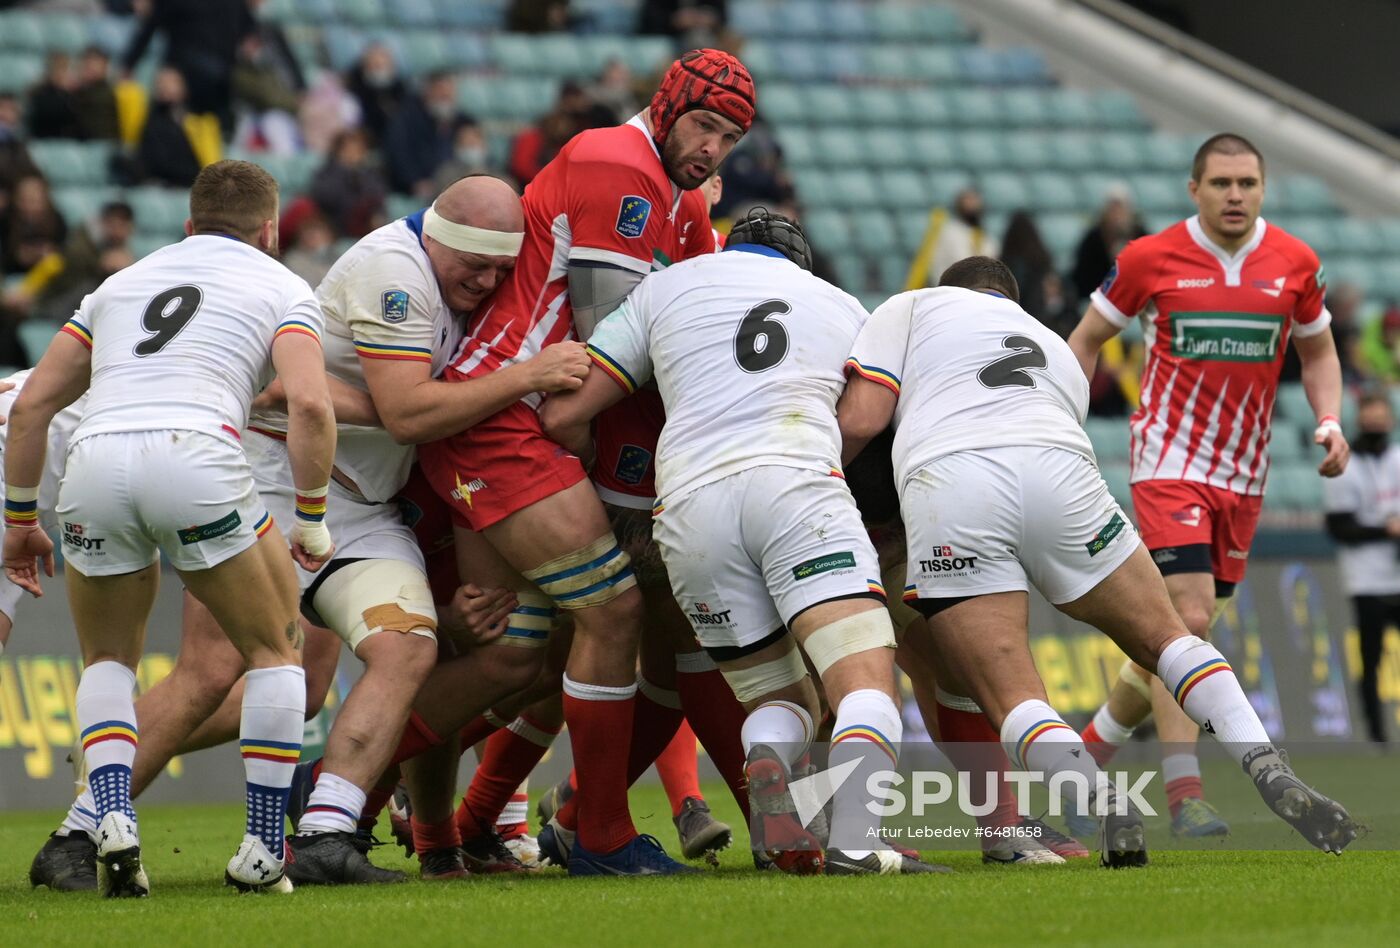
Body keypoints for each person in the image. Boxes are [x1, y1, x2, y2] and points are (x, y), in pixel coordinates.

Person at [838, 255, 1358, 865]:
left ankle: (1101, 796)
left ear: (949, 292)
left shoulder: (911, 306)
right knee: (1170, 639)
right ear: (1011, 299)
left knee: (1011, 697)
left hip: (951, 480)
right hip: (1062, 470)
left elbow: (863, 419)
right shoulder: (1052, 345)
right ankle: (1264, 760)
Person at [416, 48, 754, 877]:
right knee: (610, 616)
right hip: (509, 420)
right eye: (705, 124)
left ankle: (356, 806)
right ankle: (596, 831)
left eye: (731, 139)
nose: (713, 148)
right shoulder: (617, 164)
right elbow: (613, 341)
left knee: (521, 652)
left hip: (525, 422)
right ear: (668, 104)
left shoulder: (676, 199)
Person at [542, 208, 939, 876]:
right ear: (799, 266)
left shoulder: (666, 288)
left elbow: (566, 411)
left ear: (729, 247)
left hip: (688, 508)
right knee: (864, 680)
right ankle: (859, 841)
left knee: (778, 701)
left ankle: (768, 764)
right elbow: (870, 418)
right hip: (795, 481)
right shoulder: (841, 305)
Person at [3, 159, 337, 895]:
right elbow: (311, 406)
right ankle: (260, 847)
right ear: (271, 230)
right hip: (197, 454)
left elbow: (31, 410)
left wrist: (21, 520)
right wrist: (310, 519)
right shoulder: (283, 285)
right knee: (276, 652)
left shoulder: (117, 285)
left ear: (186, 225)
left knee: (108, 662)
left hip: (95, 459)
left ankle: (113, 817)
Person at [258, 175, 591, 886]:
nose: (489, 281)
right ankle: (92, 817)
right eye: (476, 264)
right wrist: (525, 373)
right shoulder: (395, 273)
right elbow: (410, 413)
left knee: (434, 646)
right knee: (232, 683)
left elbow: (412, 409)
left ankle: (348, 827)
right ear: (437, 236)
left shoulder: (461, 279)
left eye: (504, 269)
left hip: (386, 501)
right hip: (287, 491)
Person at [1066, 133, 1350, 837]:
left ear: (1263, 188)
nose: (1234, 195)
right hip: (1170, 462)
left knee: (1183, 637)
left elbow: (1318, 349)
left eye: (1247, 183)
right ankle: (1184, 792)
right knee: (1187, 622)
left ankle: (1088, 752)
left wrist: (1330, 419)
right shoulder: (1149, 258)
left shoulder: (1295, 263)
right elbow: (1082, 340)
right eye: (1221, 183)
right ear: (1194, 189)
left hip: (1244, 475)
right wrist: (1061, 418)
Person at [1324, 389, 1400, 745]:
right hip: (1366, 579)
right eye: (1370, 416)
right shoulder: (1346, 465)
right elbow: (1340, 527)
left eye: (1381, 416)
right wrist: (1385, 529)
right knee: (1371, 659)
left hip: (1396, 576)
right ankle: (1376, 736)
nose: (1377, 423)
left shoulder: (1397, 458)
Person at [121, 0, 255, 130]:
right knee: (209, 130)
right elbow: (250, 34)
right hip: (219, 74)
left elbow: (150, 27)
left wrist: (129, 64)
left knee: (168, 127)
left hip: (188, 72)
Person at [384, 73, 473, 198]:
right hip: (417, 188)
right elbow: (399, 154)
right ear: (428, 92)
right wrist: (414, 181)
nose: (445, 96)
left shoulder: (463, 121)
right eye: (441, 92)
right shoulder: (407, 119)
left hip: (455, 184)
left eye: (449, 92)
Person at [906, 186, 999, 291]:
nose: (973, 205)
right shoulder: (949, 232)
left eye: (975, 200)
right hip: (951, 289)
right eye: (968, 200)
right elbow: (964, 263)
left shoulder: (984, 236)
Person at [1071, 186, 1147, 302]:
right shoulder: (1093, 238)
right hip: (1098, 298)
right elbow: (1083, 276)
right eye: (1113, 208)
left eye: (1121, 208)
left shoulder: (1141, 235)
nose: (1117, 214)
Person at [308, 128, 386, 238]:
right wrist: (345, 171)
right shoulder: (326, 172)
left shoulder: (369, 173)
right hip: (337, 222)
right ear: (338, 151)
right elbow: (326, 198)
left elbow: (377, 197)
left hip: (366, 223)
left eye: (358, 150)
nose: (353, 154)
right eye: (349, 149)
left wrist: (359, 175)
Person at [136, 68, 202, 188]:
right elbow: (155, 163)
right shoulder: (151, 123)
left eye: (172, 82)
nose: (165, 86)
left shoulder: (198, 123)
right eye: (161, 82)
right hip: (166, 186)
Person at [345, 43, 409, 145]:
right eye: (375, 64)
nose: (379, 68)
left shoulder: (400, 87)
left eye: (383, 64)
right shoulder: (354, 87)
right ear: (365, 65)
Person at [26, 52, 80, 140]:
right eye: (58, 69)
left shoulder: (75, 94)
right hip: (43, 140)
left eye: (65, 69)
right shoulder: (40, 94)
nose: (62, 74)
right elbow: (48, 118)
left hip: (68, 142)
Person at [72, 47, 120, 141]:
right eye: (87, 63)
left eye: (95, 63)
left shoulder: (109, 93)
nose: (90, 67)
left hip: (102, 145)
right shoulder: (76, 92)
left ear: (105, 66)